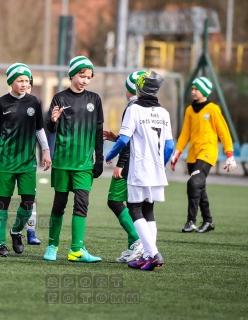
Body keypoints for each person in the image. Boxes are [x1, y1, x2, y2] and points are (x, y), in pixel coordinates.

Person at [0, 62, 51, 257]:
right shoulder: (1, 103)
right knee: (1, 203)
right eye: (20, 80)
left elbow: (39, 129)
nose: (24, 84)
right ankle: (0, 244)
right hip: (5, 161)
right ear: (11, 82)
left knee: (28, 202)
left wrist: (46, 150)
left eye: (26, 80)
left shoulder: (34, 103)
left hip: (27, 162)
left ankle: (16, 232)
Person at [105, 70, 173, 271]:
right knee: (148, 210)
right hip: (157, 170)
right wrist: (162, 163)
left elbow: (125, 140)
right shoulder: (164, 112)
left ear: (139, 89)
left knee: (134, 209)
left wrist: (110, 157)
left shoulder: (134, 110)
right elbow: (169, 146)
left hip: (139, 169)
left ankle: (153, 254)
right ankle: (147, 255)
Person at [42, 56, 104, 263]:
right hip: (62, 161)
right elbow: (50, 128)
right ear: (71, 75)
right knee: (59, 204)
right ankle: (52, 245)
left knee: (82, 203)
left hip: (84, 163)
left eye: (88, 77)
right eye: (81, 76)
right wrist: (52, 121)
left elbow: (98, 131)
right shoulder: (59, 98)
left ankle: (76, 250)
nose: (85, 80)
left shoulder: (94, 99)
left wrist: (99, 159)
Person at [170, 76, 236, 233]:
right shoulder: (189, 110)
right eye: (192, 89)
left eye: (196, 89)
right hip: (192, 155)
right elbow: (185, 133)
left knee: (193, 183)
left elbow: (224, 132)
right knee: (199, 188)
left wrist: (230, 154)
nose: (193, 92)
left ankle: (190, 221)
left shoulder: (213, 109)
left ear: (204, 91)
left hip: (207, 153)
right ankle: (208, 221)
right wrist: (177, 152)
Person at [103, 70, 145, 263]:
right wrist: (115, 138)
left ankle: (137, 241)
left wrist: (120, 163)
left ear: (130, 89)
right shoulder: (149, 106)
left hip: (130, 164)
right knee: (133, 205)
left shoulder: (132, 107)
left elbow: (129, 142)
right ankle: (133, 248)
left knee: (114, 201)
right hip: (142, 164)